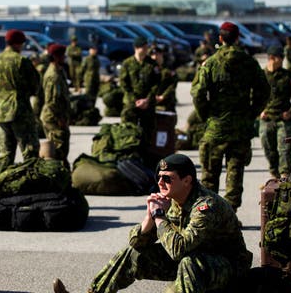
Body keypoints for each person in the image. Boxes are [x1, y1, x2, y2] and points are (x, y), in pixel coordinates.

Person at [53, 154, 252, 293]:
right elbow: (136, 243)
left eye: (167, 178)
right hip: (191, 260)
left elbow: (179, 249)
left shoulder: (206, 206)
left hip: (227, 266)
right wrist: (150, 217)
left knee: (188, 263)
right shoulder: (173, 200)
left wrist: (159, 216)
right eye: (159, 177)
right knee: (133, 255)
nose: (160, 182)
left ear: (187, 180)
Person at [190, 21, 270, 211]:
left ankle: (208, 216)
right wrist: (251, 113)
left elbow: (198, 93)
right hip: (240, 127)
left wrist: (206, 115)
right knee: (235, 173)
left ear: (220, 39)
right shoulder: (249, 62)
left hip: (216, 127)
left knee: (210, 175)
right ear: (238, 38)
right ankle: (231, 214)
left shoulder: (210, 63)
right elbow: (264, 91)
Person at [0, 29, 40, 173]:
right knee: (30, 152)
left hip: (1, 111)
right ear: (19, 43)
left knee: (6, 154)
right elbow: (35, 86)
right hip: (20, 111)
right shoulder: (21, 61)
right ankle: (32, 186)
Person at [260, 46, 291, 179]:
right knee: (268, 148)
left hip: (283, 118)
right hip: (267, 118)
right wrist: (259, 111)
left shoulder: (288, 75)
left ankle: (284, 175)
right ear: (272, 58)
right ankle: (274, 172)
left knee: (284, 148)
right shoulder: (261, 76)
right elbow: (252, 95)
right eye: (280, 58)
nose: (283, 60)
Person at [119, 36, 160, 165]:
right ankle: (130, 158)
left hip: (147, 103)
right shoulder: (127, 63)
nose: (147, 49)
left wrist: (147, 100)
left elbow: (156, 84)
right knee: (129, 130)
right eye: (144, 46)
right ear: (137, 48)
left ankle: (146, 160)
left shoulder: (152, 64)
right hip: (131, 104)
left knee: (147, 132)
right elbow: (124, 84)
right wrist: (135, 100)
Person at [40, 44, 71, 169]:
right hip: (53, 117)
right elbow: (51, 101)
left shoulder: (60, 71)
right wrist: (60, 118)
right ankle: (56, 172)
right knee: (58, 147)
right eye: (62, 55)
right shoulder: (53, 76)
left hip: (59, 115)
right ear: (55, 57)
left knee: (62, 145)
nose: (64, 57)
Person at [150, 45, 178, 112]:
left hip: (167, 101)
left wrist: (163, 96)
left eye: (157, 54)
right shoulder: (149, 68)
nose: (155, 57)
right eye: (153, 55)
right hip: (152, 101)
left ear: (161, 54)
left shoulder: (168, 68)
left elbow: (173, 84)